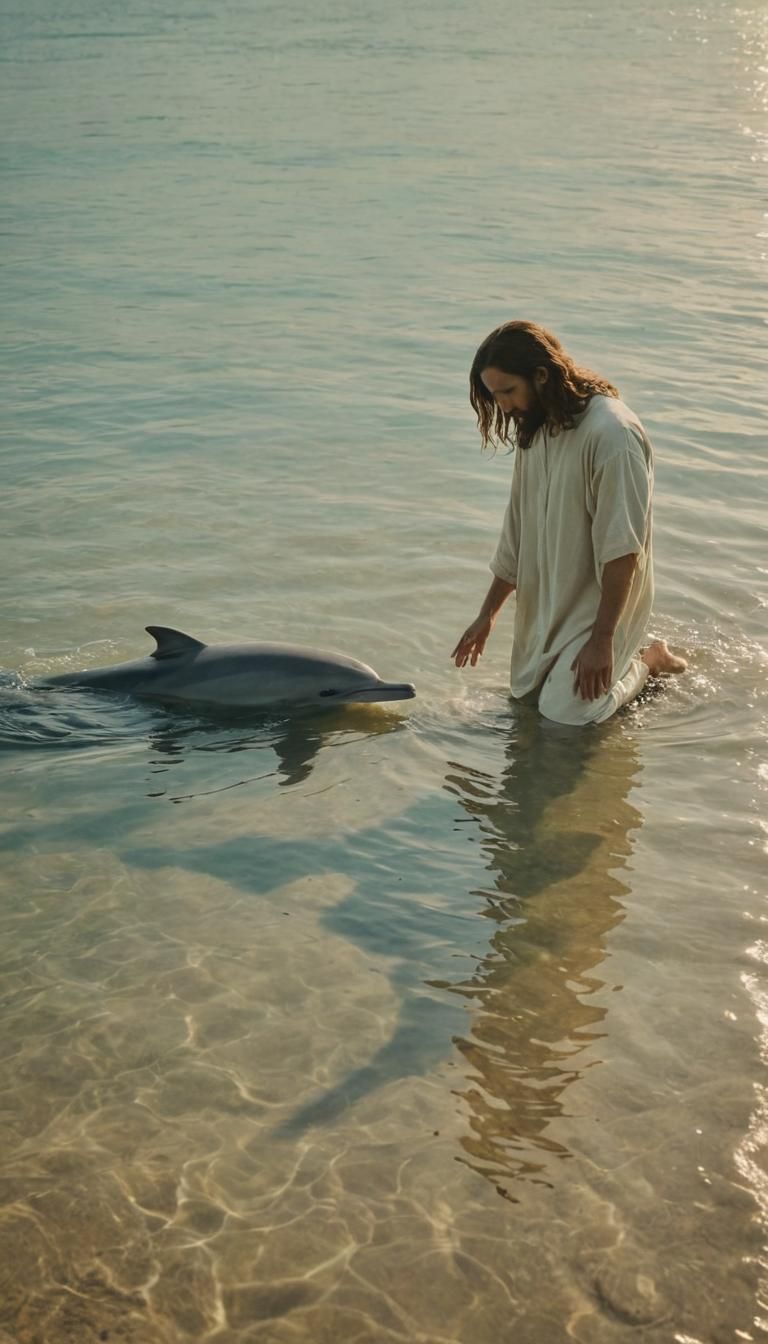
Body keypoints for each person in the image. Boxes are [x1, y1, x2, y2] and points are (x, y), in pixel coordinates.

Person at [451, 321, 687, 725]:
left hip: (602, 609)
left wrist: (602, 639)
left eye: (508, 391)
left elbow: (622, 548)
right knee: (525, 703)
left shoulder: (612, 435)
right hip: (549, 602)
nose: (504, 406)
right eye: (495, 395)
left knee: (569, 718)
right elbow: (516, 534)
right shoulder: (536, 430)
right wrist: (486, 615)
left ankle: (649, 661)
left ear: (541, 376)